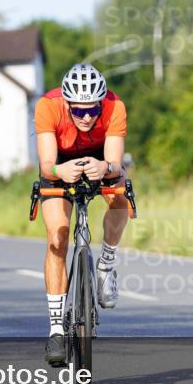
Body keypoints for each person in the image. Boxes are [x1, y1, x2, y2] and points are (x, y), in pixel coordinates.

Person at [34, 63, 129, 365]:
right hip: (60, 164)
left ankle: (106, 266)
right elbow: (45, 164)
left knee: (121, 193)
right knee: (58, 235)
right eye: (78, 111)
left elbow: (115, 162)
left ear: (101, 102)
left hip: (99, 159)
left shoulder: (114, 107)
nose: (87, 117)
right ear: (67, 104)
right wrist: (58, 170)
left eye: (92, 110)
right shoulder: (48, 107)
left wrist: (107, 168)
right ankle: (56, 330)